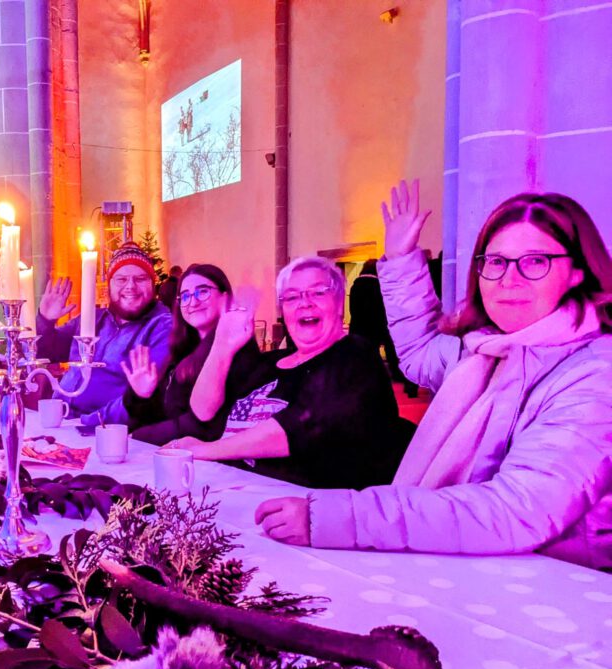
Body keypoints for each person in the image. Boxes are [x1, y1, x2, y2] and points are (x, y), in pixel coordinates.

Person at [257, 180, 612, 571]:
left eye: (534, 261)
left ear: (577, 271)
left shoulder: (593, 374)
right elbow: (420, 352)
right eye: (496, 262)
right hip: (470, 563)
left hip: (558, 584)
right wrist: (401, 257)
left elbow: (513, 511)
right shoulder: (486, 349)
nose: (510, 279)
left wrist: (342, 516)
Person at [173, 255, 407, 490]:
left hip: (303, 509)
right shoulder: (268, 363)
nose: (304, 303)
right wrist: (221, 345)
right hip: (229, 491)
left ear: (339, 302)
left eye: (318, 292)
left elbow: (298, 427)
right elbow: (203, 411)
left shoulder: (354, 355)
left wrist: (203, 451)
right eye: (292, 296)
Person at [121, 264, 262, 445]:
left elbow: (205, 424)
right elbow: (164, 416)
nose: (192, 302)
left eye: (203, 292)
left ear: (224, 297)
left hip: (211, 463)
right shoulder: (184, 350)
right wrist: (141, 396)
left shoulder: (235, 348)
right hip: (172, 454)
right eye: (185, 296)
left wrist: (141, 437)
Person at [36, 241, 173, 426]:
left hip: (104, 430)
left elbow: (140, 397)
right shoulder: (93, 318)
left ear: (153, 284)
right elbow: (46, 353)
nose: (130, 286)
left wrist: (87, 422)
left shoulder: (162, 327)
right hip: (59, 418)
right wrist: (45, 320)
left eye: (140, 279)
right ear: (109, 285)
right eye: (121, 279)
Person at [348, 260, 418, 397]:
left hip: (359, 327)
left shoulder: (355, 286)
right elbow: (384, 309)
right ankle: (405, 382)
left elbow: (353, 310)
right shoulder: (379, 286)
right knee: (393, 355)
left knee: (362, 359)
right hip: (379, 325)